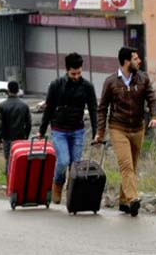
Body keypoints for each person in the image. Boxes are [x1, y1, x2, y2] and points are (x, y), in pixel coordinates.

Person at [94, 47, 156, 217]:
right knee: (126, 165)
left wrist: (155, 116)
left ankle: (123, 200)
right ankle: (132, 199)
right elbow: (102, 109)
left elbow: (152, 99)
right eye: (136, 59)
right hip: (118, 128)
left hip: (138, 128)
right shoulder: (110, 82)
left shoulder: (143, 79)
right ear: (126, 62)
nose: (139, 61)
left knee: (133, 166)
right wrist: (100, 133)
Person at [38, 52, 98, 204]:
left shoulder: (87, 87)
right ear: (67, 70)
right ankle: (58, 183)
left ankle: (73, 193)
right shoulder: (56, 85)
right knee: (64, 161)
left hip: (78, 130)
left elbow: (93, 110)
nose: (76, 76)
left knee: (75, 165)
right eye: (73, 73)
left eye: (79, 73)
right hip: (59, 130)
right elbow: (49, 108)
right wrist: (42, 130)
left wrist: (97, 132)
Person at [0, 81, 31, 178]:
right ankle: (19, 182)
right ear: (18, 90)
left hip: (7, 138)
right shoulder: (24, 106)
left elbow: (0, 124)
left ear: (8, 90)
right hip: (20, 138)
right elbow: (29, 123)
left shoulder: (2, 105)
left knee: (9, 160)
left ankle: (9, 183)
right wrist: (26, 136)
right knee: (20, 159)